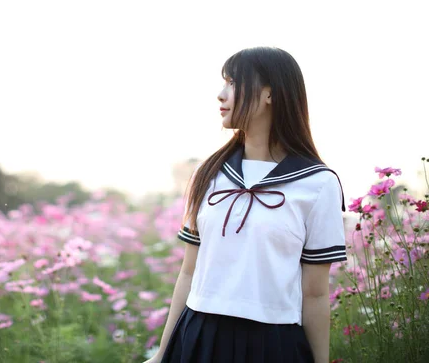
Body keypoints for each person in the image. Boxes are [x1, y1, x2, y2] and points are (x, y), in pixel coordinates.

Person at [144, 46, 347, 363]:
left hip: (273, 344)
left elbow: (316, 293)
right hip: (199, 336)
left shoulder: (318, 184)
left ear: (269, 94)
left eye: (233, 83)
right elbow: (188, 273)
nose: (221, 95)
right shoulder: (209, 173)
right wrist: (161, 354)